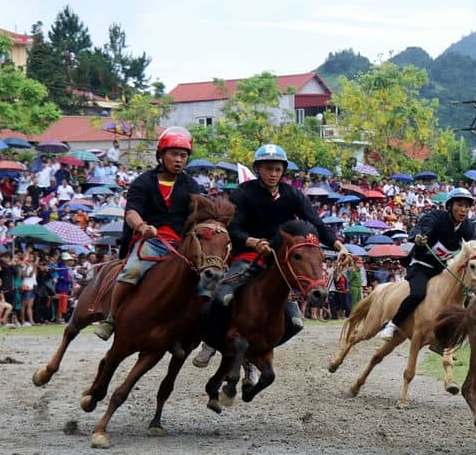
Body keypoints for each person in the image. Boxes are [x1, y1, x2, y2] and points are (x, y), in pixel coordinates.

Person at [192, 144, 348, 367]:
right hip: (246, 255)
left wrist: (338, 245)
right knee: (221, 296)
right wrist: (253, 242)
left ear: (283, 170)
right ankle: (210, 342)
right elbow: (232, 228)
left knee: (295, 323)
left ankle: (254, 351)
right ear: (258, 169)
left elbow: (316, 223)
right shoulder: (243, 193)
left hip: (278, 261)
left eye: (277, 169)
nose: (273, 174)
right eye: (268, 169)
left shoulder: (292, 194)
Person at [94, 126, 203, 340]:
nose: (179, 160)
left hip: (182, 245)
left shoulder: (192, 185)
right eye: (174, 154)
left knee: (207, 278)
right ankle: (112, 318)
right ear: (161, 155)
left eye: (183, 155)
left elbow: (199, 214)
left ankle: (192, 328)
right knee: (132, 271)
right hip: (152, 241)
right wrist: (143, 226)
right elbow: (131, 211)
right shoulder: (143, 181)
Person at [377, 187, 476, 341]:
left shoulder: (468, 227)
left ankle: (455, 335)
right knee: (418, 293)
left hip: (443, 271)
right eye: (459, 205)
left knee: (467, 294)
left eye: (467, 206)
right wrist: (419, 237)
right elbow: (422, 228)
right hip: (421, 266)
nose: (463, 210)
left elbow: (474, 247)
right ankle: (392, 324)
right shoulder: (436, 217)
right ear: (450, 206)